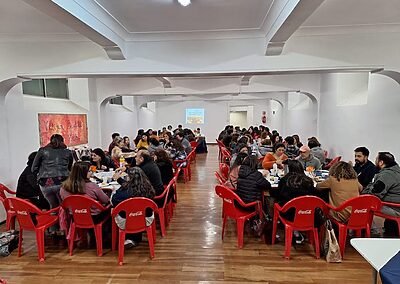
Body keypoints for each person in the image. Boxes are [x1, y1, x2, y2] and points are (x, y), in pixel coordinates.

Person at [111, 167, 156, 248]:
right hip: (146, 218)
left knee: (116, 210)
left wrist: (115, 192)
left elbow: (114, 201)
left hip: (126, 220)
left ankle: (125, 238)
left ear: (129, 178)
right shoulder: (149, 188)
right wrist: (120, 180)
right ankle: (133, 238)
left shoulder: (124, 192)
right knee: (135, 211)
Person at [32, 134, 73, 209]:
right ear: (62, 141)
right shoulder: (68, 152)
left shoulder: (42, 150)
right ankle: (63, 219)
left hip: (44, 183)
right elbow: (69, 168)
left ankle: (54, 217)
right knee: (63, 206)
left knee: (53, 206)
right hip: (62, 181)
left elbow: (33, 168)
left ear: (50, 141)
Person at [361, 152, 400, 217]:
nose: (375, 162)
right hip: (396, 206)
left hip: (394, 209)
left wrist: (363, 193)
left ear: (381, 162)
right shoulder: (396, 172)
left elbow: (373, 195)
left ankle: (361, 226)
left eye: (376, 160)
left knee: (361, 206)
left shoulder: (386, 175)